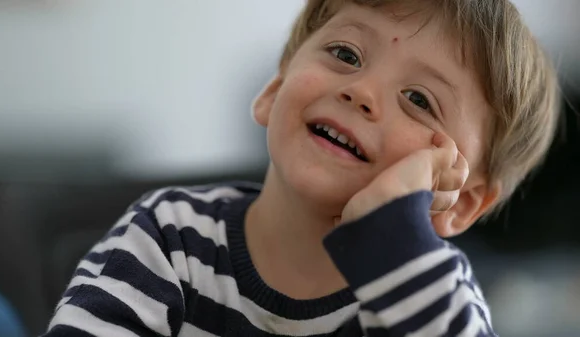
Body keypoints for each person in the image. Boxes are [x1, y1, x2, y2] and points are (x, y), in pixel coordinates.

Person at [42, 0, 559, 336]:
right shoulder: (168, 236)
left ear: (461, 199)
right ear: (273, 92)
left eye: (419, 99)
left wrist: (392, 233)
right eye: (345, 53)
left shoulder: (433, 298)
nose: (361, 92)